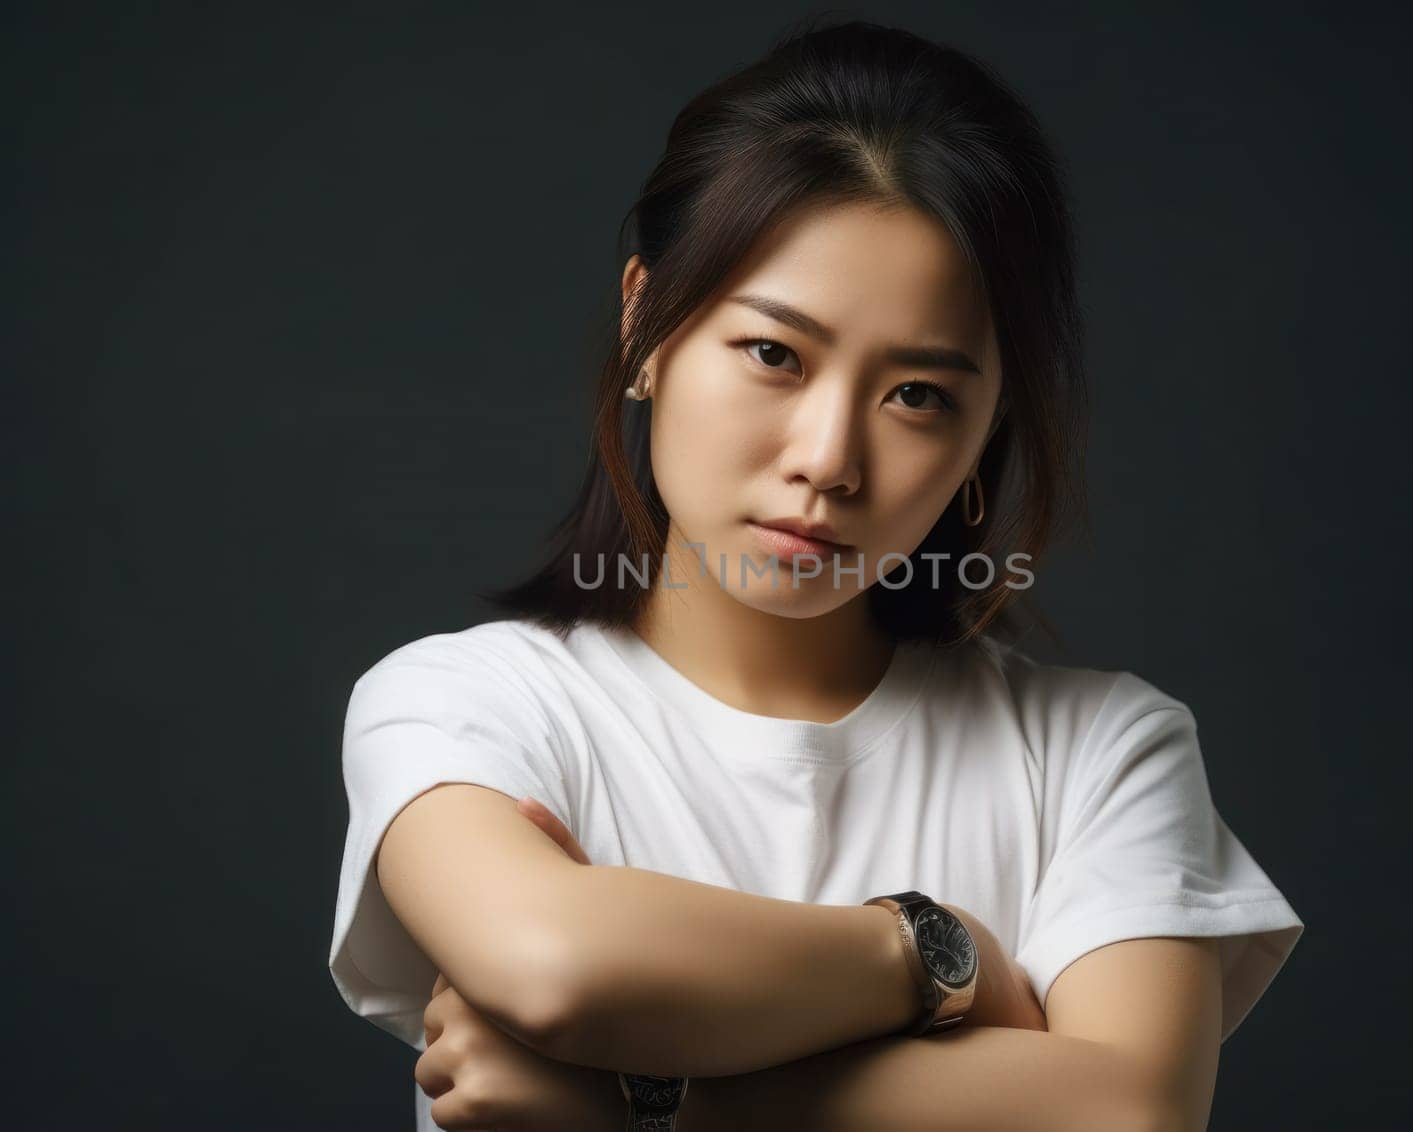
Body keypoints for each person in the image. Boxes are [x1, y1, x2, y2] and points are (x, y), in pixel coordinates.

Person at [328, 17, 1304, 1131]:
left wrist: (648, 1100)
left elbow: (1126, 1114)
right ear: (645, 319)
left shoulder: (1098, 752)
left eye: (918, 396)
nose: (830, 459)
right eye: (774, 355)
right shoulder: (470, 702)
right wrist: (932, 954)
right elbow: (555, 964)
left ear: (987, 432)